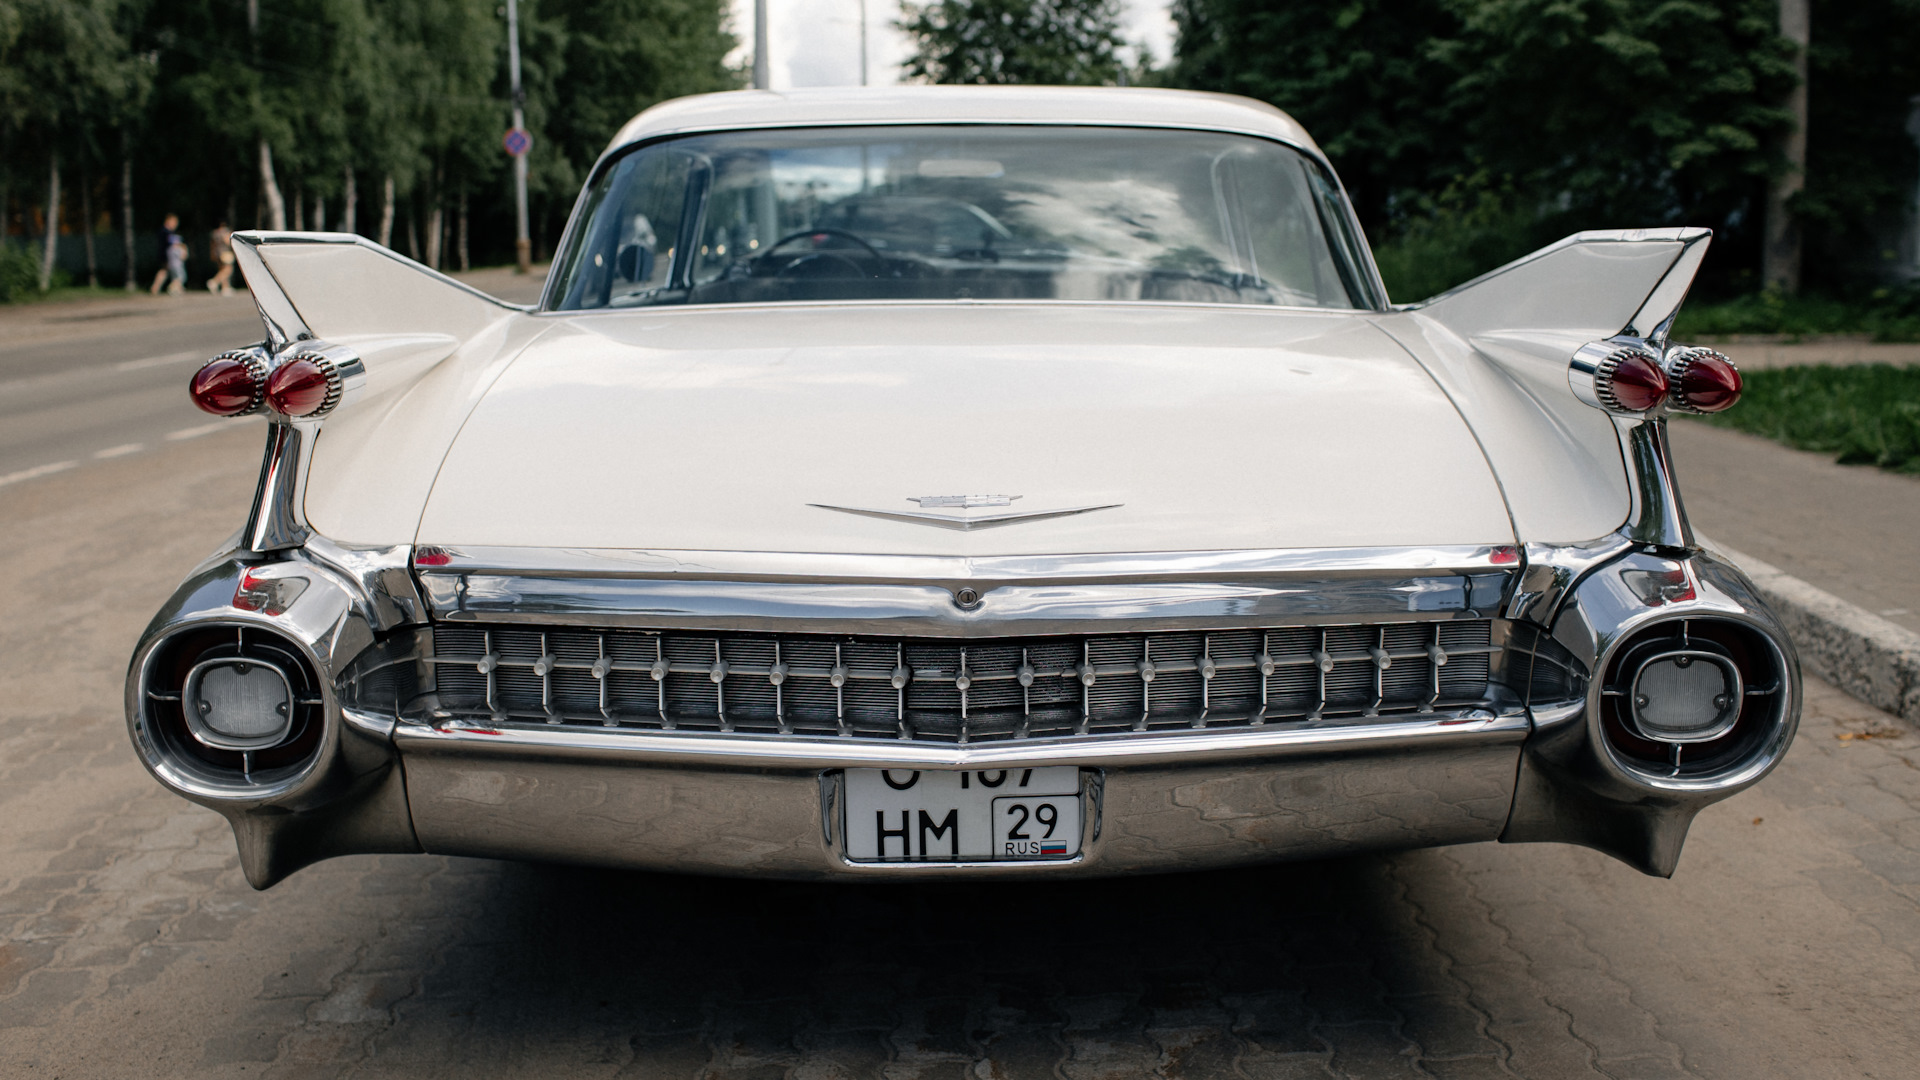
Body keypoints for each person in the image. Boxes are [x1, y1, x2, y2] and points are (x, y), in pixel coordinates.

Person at [149, 214, 187, 296]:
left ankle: (156, 287)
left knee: (164, 271)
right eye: (174, 222)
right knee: (175, 272)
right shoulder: (166, 232)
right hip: (167, 255)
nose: (175, 224)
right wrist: (182, 247)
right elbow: (173, 244)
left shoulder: (166, 231)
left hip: (166, 254)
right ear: (168, 221)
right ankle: (173, 287)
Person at [208, 223, 235, 295]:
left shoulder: (214, 233)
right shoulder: (225, 232)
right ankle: (214, 281)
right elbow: (228, 242)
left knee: (222, 269)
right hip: (225, 252)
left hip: (217, 253)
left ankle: (225, 287)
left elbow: (212, 244)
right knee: (228, 269)